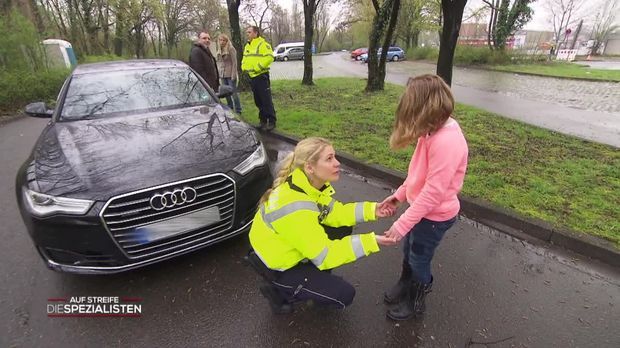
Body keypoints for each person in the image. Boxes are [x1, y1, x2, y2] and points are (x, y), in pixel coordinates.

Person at [248, 137, 394, 313]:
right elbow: (326, 255)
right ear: (310, 167)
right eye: (329, 159)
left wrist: (374, 210)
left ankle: (312, 277)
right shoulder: (295, 208)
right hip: (279, 264)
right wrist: (373, 241)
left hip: (286, 247)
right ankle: (278, 289)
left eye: (335, 156)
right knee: (344, 295)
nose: (337, 163)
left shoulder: (307, 185)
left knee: (342, 227)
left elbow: (336, 213)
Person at [380, 74, 469, 321]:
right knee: (409, 251)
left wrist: (401, 224)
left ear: (427, 110)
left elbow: (433, 192)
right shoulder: (430, 131)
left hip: (434, 217)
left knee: (420, 258)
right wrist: (398, 196)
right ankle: (405, 282)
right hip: (420, 210)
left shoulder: (447, 141)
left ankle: (416, 299)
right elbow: (417, 175)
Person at [241, 26, 276, 131]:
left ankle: (272, 121)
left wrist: (257, 68)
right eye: (247, 32)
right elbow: (245, 58)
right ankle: (263, 120)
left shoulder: (263, 44)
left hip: (261, 76)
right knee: (258, 101)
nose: (247, 34)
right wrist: (243, 67)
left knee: (266, 100)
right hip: (252, 77)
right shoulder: (248, 46)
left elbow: (270, 57)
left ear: (256, 33)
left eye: (249, 32)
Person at [216, 34, 242, 114]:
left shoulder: (231, 49)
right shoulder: (219, 49)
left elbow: (235, 63)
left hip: (230, 74)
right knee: (225, 92)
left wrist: (233, 75)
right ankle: (230, 107)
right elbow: (219, 62)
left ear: (227, 41)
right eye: (220, 40)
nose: (222, 42)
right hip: (223, 74)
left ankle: (238, 109)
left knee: (233, 92)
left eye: (224, 40)